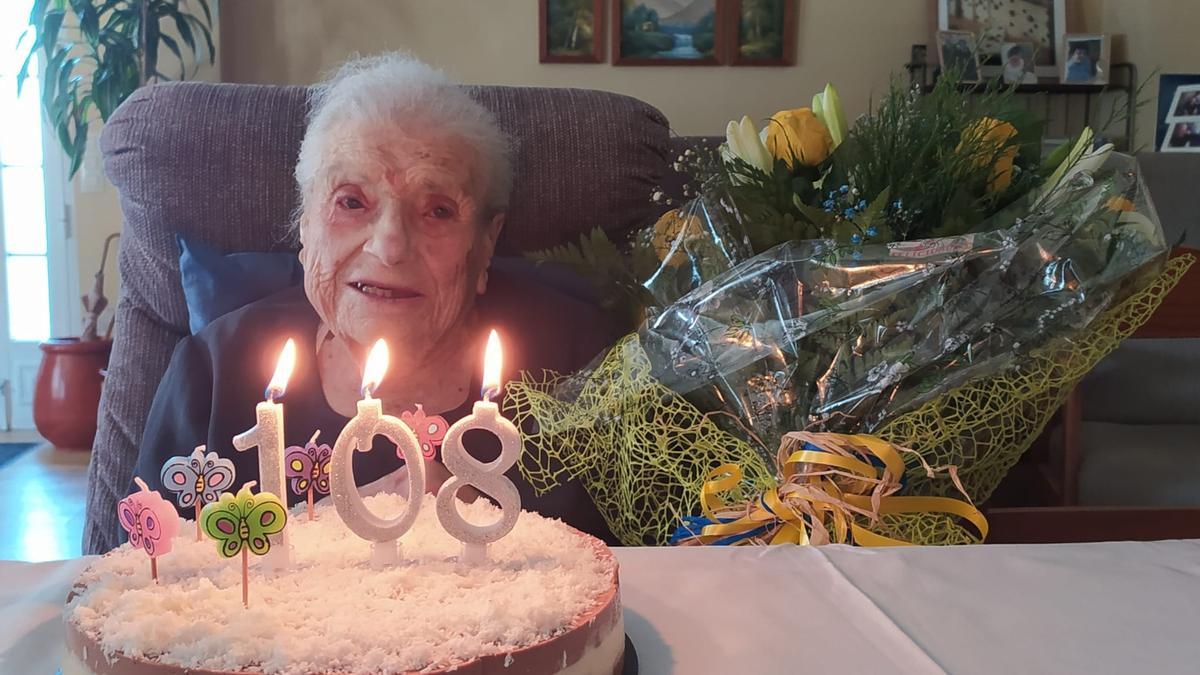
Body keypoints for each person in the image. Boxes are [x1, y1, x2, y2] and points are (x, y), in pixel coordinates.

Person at [126, 54, 620, 546]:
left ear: (486, 243)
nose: (390, 245)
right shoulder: (211, 374)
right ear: (304, 224)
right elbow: (146, 583)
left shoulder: (583, 365)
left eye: (438, 210)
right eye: (351, 201)